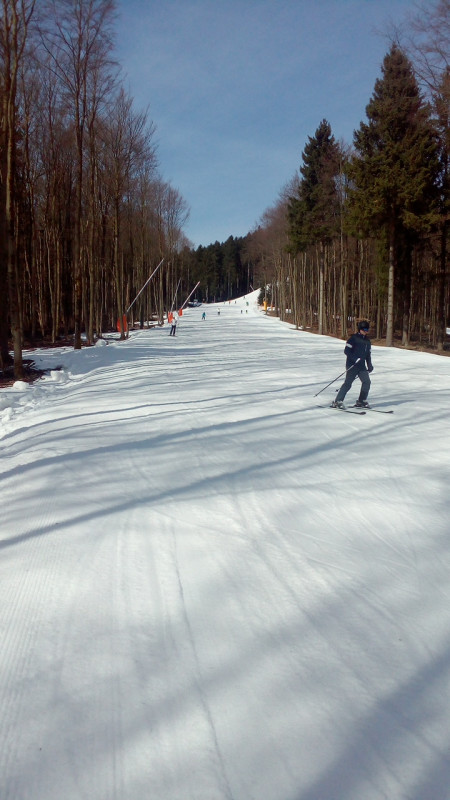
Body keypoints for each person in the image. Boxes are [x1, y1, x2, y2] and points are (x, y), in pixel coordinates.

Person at [332, 320, 373, 408]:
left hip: (361, 366)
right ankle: (338, 401)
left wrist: (369, 365)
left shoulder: (367, 341)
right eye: (365, 329)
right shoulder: (353, 338)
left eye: (367, 329)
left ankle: (361, 401)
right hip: (352, 365)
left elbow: (368, 355)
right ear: (360, 329)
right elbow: (346, 351)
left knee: (367, 382)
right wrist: (355, 359)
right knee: (348, 383)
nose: (366, 331)